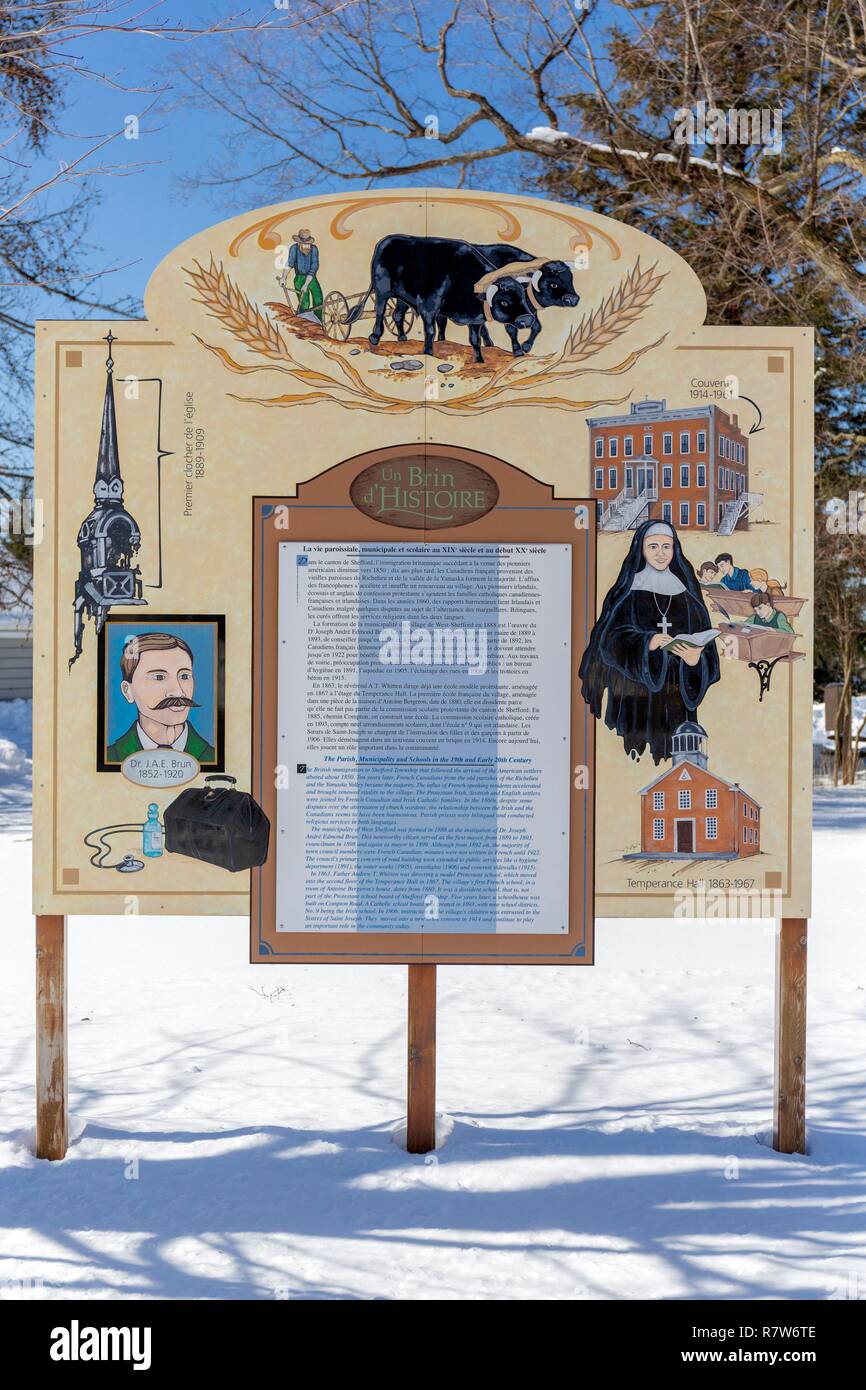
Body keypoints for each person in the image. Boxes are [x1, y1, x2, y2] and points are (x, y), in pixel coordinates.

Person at [579, 519, 721, 763]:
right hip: (637, 697)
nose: (660, 553)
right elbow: (609, 641)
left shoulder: (686, 594)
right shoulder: (630, 590)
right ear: (641, 549)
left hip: (677, 696)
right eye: (653, 546)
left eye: (667, 547)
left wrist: (694, 660)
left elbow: (708, 648)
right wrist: (648, 642)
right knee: (639, 757)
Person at [107, 631, 215, 762]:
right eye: (159, 677)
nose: (178, 692)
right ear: (127, 690)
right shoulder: (111, 757)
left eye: (184, 676)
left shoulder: (213, 757)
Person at [287, 228, 323, 323]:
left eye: (308, 244)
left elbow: (314, 267)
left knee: (318, 299)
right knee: (305, 302)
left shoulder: (314, 249)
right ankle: (304, 322)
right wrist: (283, 278)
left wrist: (306, 284)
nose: (307, 246)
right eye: (304, 244)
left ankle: (319, 322)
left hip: (311, 278)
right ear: (299, 243)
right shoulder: (294, 249)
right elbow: (289, 264)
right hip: (299, 278)